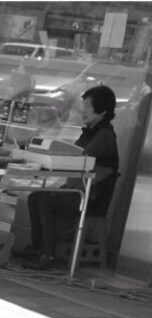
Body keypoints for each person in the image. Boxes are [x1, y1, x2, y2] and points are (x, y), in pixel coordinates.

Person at [14, 84, 119, 270]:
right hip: (77, 190)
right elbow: (70, 155)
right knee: (35, 197)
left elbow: (78, 157)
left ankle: (48, 254)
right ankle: (37, 247)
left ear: (102, 109)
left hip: (91, 197)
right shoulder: (90, 131)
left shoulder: (104, 135)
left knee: (45, 201)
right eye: (84, 106)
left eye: (88, 106)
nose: (84, 111)